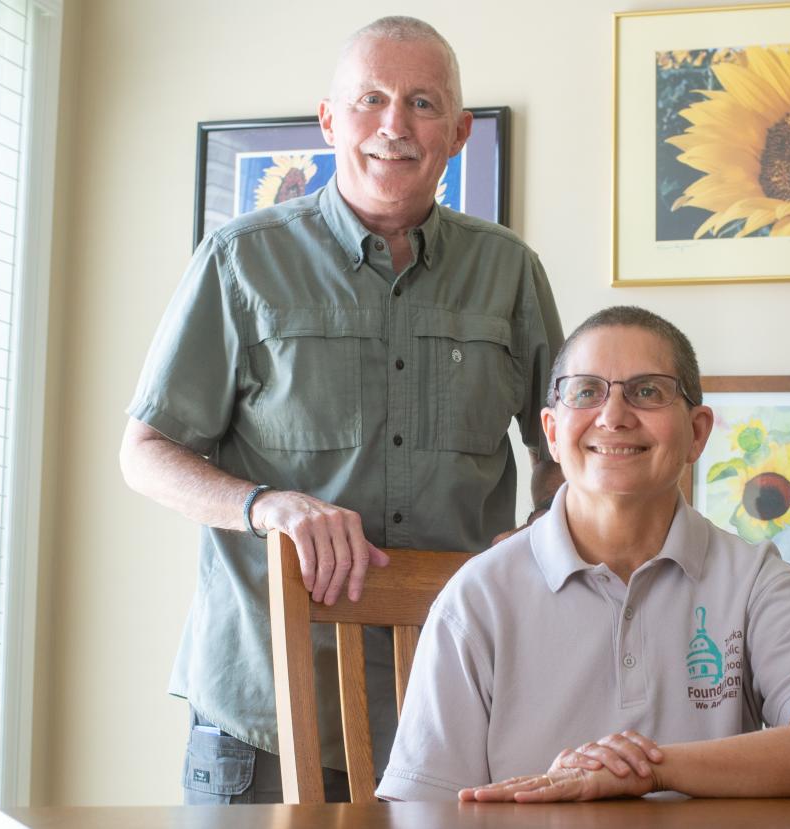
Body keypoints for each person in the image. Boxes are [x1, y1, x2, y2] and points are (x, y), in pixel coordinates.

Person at [119, 16, 562, 804]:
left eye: (423, 103)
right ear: (329, 121)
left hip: (451, 712)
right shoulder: (239, 259)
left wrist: (541, 541)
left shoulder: (512, 274)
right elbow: (144, 450)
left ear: (458, 132)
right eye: (371, 100)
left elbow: (566, 451)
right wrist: (265, 506)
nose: (395, 125)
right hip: (261, 716)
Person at [378, 306, 790, 802]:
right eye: (586, 392)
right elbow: (421, 809)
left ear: (697, 433)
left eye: (647, 391)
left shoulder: (754, 579)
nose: (614, 416)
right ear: (553, 434)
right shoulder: (478, 596)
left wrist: (648, 771)